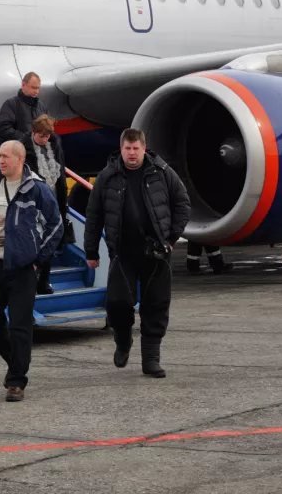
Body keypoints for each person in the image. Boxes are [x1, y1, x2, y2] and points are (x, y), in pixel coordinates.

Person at [83, 129, 190, 378]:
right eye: (127, 149)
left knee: (156, 305)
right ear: (121, 149)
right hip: (123, 252)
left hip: (156, 251)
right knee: (117, 303)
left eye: (136, 149)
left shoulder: (162, 172)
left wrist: (171, 238)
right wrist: (91, 251)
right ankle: (123, 340)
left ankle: (151, 359)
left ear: (144, 148)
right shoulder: (107, 176)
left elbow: (182, 203)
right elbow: (94, 215)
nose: (132, 153)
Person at [0, 141, 63, 402]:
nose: (1, 160)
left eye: (6, 156)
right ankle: (15, 364)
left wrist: (38, 258)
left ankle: (17, 382)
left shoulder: (36, 188)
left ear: (20, 159)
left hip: (21, 269)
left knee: (20, 325)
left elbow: (56, 225)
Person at [21, 115, 76, 294]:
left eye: (47, 136)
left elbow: (61, 171)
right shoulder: (24, 147)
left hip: (54, 197)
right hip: (35, 200)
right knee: (35, 242)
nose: (44, 140)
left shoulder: (55, 144)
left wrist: (63, 201)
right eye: (41, 136)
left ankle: (43, 282)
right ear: (33, 132)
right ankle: (33, 282)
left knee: (50, 242)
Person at [0, 72, 46, 163]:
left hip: (34, 157)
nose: (36, 91)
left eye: (38, 88)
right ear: (23, 85)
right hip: (15, 156)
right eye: (33, 88)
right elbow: (3, 129)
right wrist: (27, 140)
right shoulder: (11, 104)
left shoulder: (41, 107)